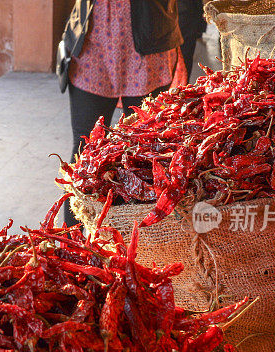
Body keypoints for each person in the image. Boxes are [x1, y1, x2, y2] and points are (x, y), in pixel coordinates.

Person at [59, 0, 184, 225]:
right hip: (92, 37)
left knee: (145, 155)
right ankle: (71, 244)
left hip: (149, 37)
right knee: (84, 149)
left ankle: (140, 246)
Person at [178, 0, 207, 82]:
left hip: (187, 14)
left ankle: (182, 87)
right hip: (184, 14)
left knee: (185, 55)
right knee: (184, 55)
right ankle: (182, 86)